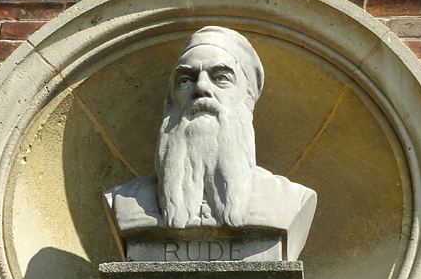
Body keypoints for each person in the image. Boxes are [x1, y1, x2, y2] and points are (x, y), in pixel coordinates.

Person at [105, 26, 316, 262]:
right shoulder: (125, 201)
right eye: (185, 80)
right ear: (170, 101)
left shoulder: (287, 200)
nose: (201, 89)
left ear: (246, 98)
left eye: (221, 78)